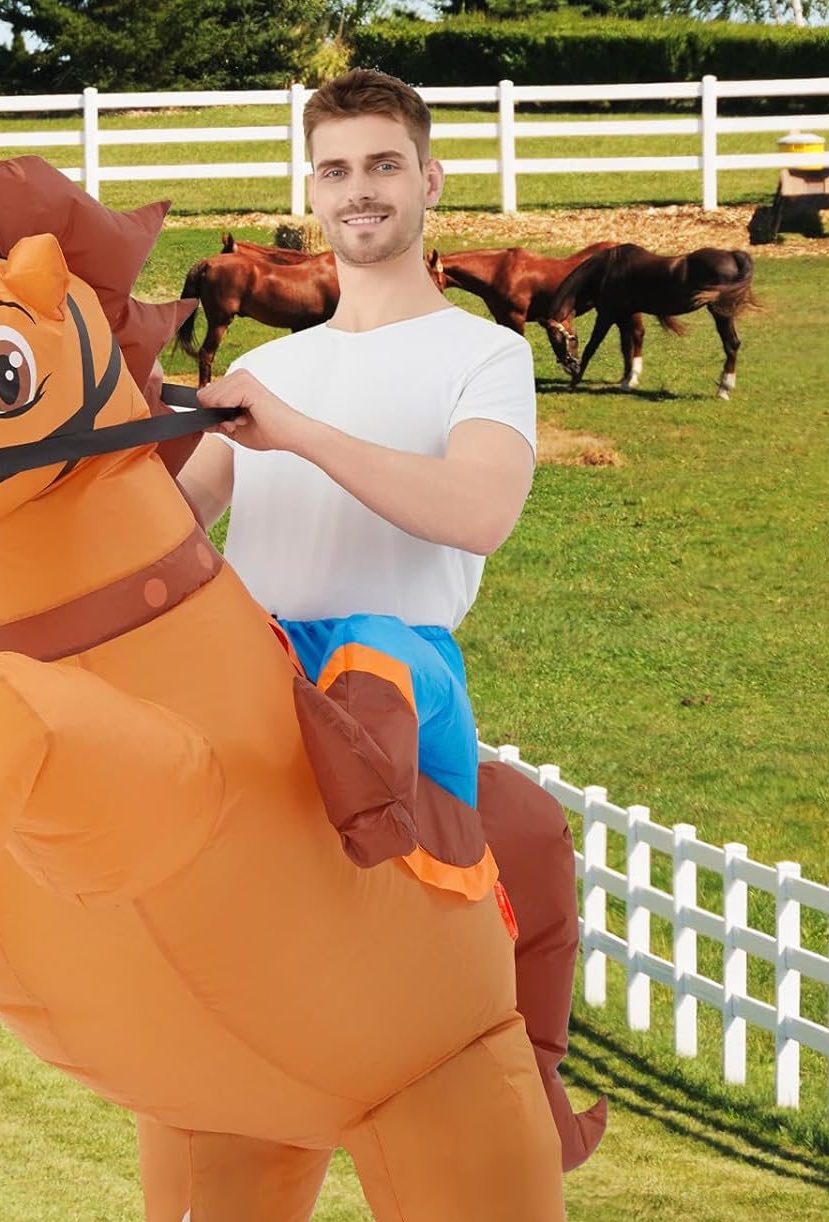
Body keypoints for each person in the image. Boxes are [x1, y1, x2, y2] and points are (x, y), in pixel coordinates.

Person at [175, 68, 537, 869]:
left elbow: (482, 513)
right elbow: (172, 518)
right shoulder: (270, 366)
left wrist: (298, 432)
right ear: (314, 189)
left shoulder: (486, 354)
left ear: (429, 181)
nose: (359, 191)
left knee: (371, 651)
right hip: (257, 673)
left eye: (384, 165)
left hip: (406, 681)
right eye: (335, 171)